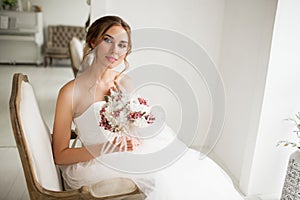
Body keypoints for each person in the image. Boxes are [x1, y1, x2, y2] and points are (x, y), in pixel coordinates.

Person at [52, 15, 244, 199]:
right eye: (107, 40)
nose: (115, 51)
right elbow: (60, 155)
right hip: (95, 161)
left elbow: (134, 123)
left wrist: (136, 134)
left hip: (128, 151)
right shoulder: (69, 93)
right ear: (93, 41)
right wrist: (104, 148)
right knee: (160, 178)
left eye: (122, 45)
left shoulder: (124, 81)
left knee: (194, 169)